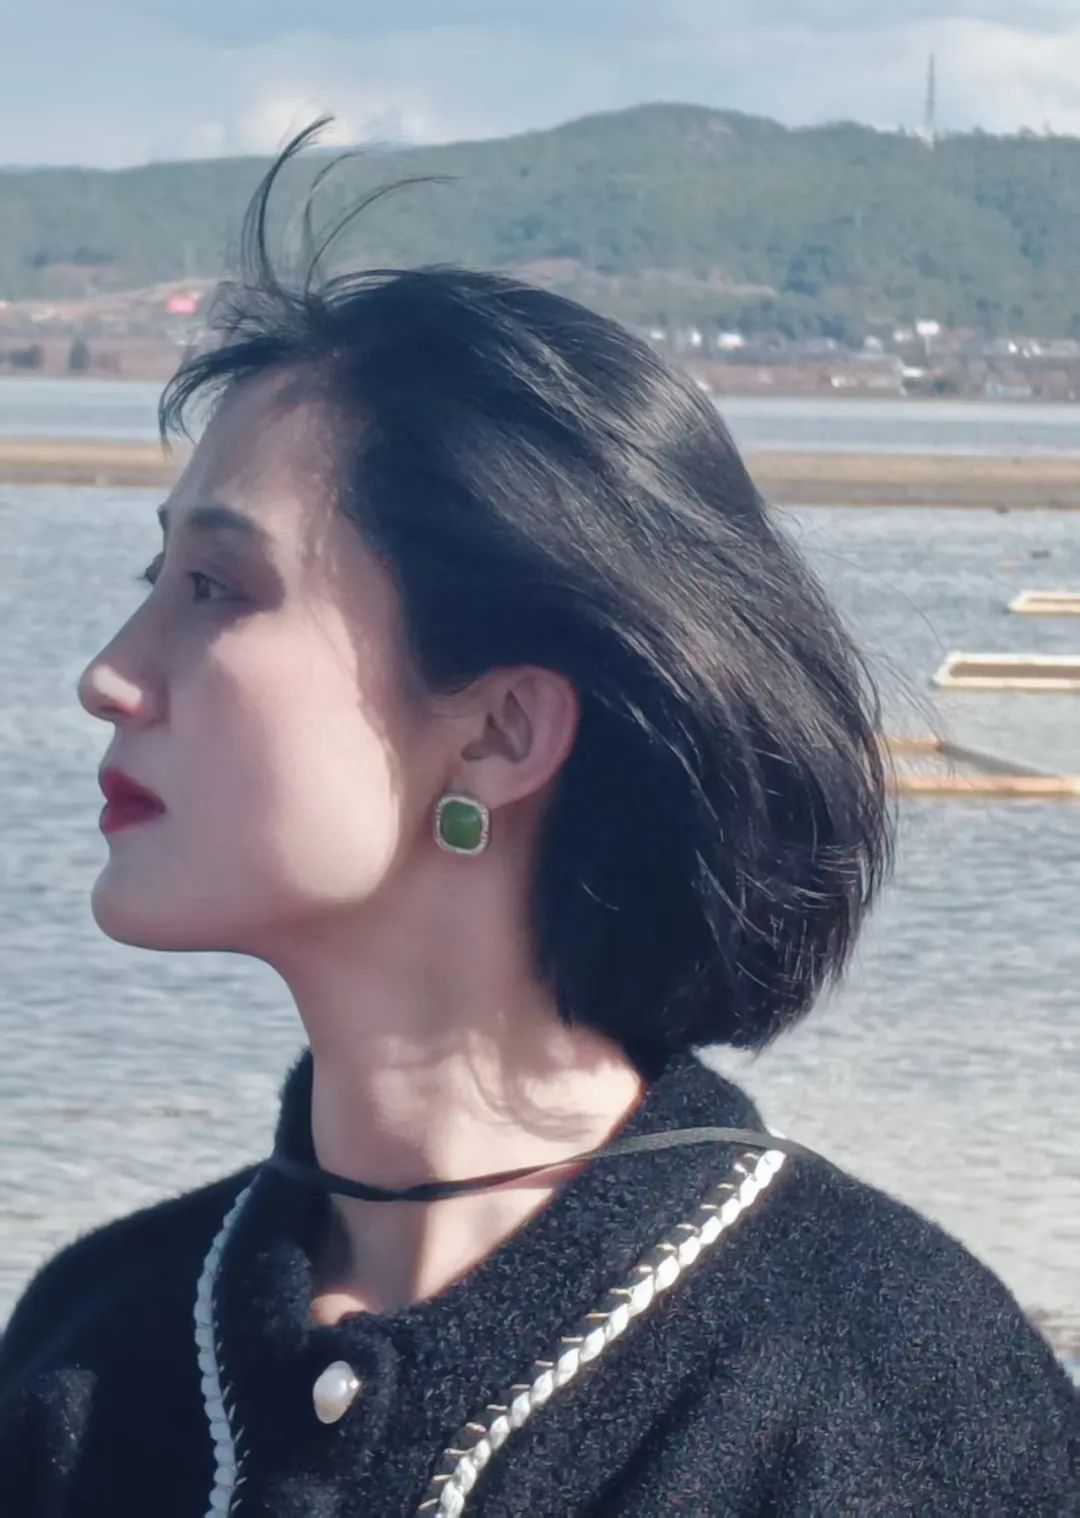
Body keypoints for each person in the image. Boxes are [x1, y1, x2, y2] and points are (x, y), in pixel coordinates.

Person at [0, 118, 1076, 1518]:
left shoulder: (892, 1405)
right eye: (156, 582)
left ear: (502, 730)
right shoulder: (91, 1357)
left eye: (216, 589)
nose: (108, 675)